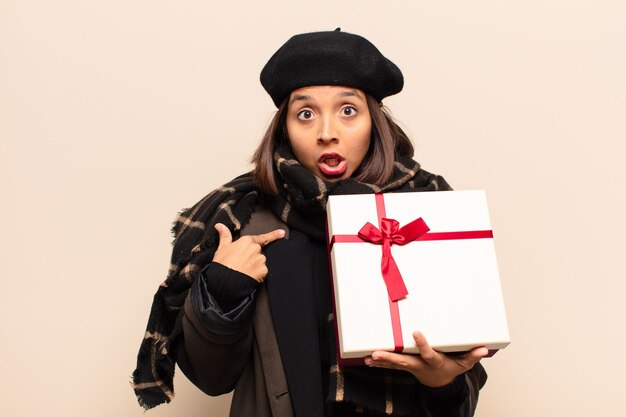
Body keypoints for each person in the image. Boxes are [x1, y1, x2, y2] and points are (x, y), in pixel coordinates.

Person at [132, 29, 488, 417]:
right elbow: (211, 380)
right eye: (305, 114)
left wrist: (444, 383)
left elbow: (461, 388)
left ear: (375, 123)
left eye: (348, 110)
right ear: (284, 127)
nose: (327, 133)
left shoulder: (427, 214)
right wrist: (222, 290)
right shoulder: (246, 222)